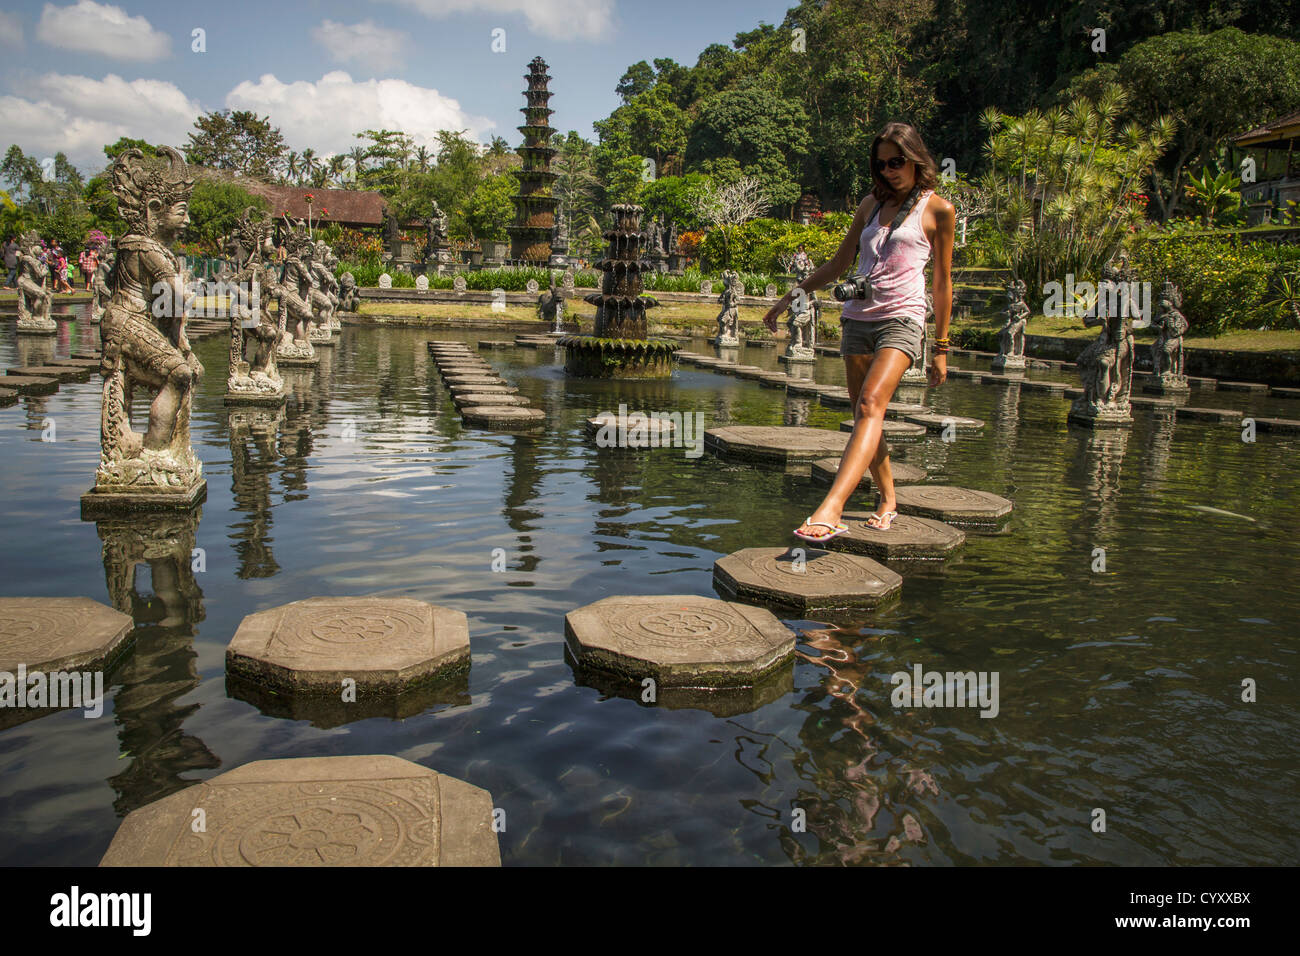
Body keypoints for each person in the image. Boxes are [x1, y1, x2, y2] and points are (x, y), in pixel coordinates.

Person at [763, 122, 955, 539]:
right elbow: (837, 265)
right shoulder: (870, 204)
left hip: (902, 320)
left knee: (870, 404)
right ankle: (888, 499)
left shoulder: (938, 209)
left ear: (916, 158)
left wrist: (940, 345)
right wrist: (788, 298)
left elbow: (942, 281)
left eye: (897, 161)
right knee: (865, 415)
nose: (889, 170)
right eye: (881, 163)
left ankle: (831, 507)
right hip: (857, 319)